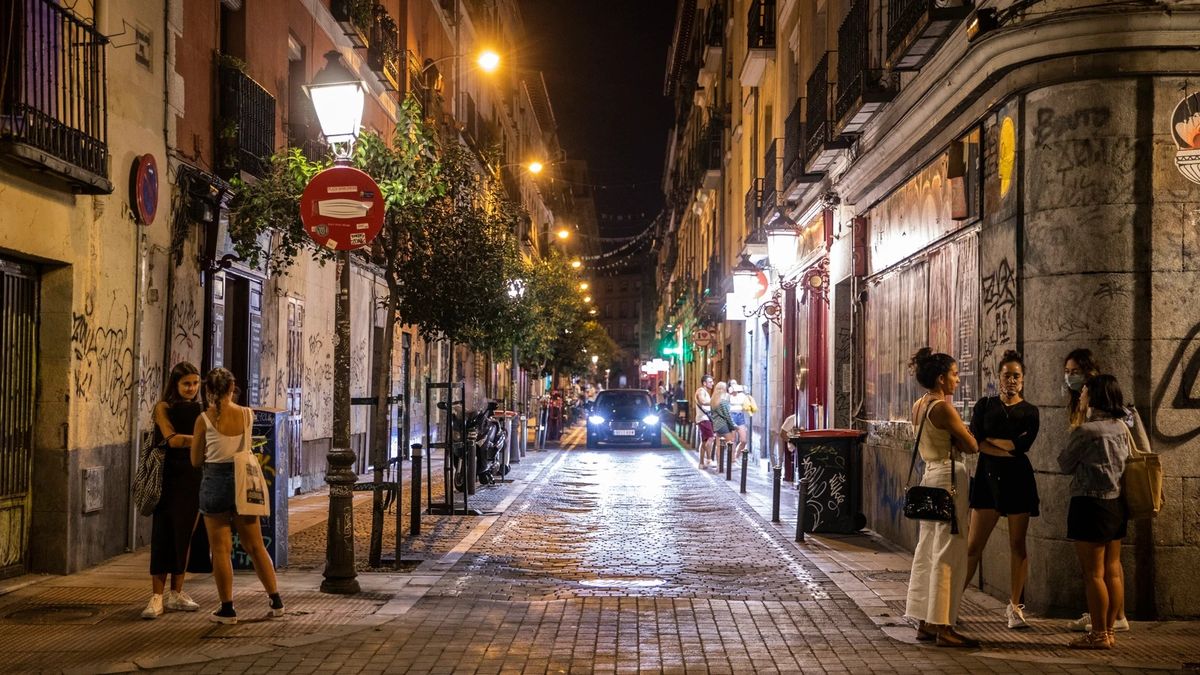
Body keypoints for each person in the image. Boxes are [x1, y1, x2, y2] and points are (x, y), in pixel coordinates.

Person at [191, 368, 283, 624]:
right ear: (233, 387)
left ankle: (227, 608)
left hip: (214, 482)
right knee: (255, 546)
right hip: (244, 482)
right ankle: (276, 600)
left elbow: (196, 460)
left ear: (208, 390)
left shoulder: (204, 419)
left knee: (220, 549)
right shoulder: (247, 415)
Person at [904, 348, 980, 648]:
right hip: (949, 480)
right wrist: (967, 438)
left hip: (929, 477)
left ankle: (924, 621)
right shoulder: (943, 408)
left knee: (927, 551)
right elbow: (971, 445)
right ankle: (943, 626)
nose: (957, 379)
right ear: (940, 377)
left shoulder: (918, 406)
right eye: (954, 373)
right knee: (949, 553)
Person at [963, 350, 1040, 629]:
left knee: (1018, 545)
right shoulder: (985, 405)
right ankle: (951, 603)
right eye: (1006, 375)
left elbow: (1023, 446)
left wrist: (996, 443)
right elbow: (975, 441)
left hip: (1018, 481)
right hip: (987, 480)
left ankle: (1015, 606)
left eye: (1016, 376)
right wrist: (1007, 445)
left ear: (1023, 379)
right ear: (998, 377)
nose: (1011, 380)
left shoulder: (1030, 411)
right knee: (973, 546)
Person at [1056, 374, 1131, 650]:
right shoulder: (1121, 427)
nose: (1081, 394)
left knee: (1093, 574)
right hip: (1116, 504)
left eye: (1085, 391)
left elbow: (1065, 463)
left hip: (1089, 504)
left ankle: (1098, 634)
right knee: (1112, 571)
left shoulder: (1087, 431)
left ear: (1095, 396)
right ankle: (1109, 629)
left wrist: (1076, 424)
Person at [142, 362, 211, 619]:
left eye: (195, 384)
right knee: (163, 533)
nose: (191, 389)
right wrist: (204, 440)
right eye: (186, 384)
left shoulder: (202, 409)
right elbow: (172, 440)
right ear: (175, 384)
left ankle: (176, 592)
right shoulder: (164, 407)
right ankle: (156, 596)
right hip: (168, 476)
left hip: (194, 476)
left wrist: (197, 441)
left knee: (185, 534)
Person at [708, 381, 739, 463]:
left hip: (716, 426)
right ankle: (731, 461)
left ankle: (719, 465)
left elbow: (712, 414)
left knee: (718, 446)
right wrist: (734, 425)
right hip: (724, 425)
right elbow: (727, 415)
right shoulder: (723, 401)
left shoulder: (712, 400)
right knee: (730, 443)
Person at [694, 375, 715, 467]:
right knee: (711, 438)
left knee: (704, 440)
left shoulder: (706, 392)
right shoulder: (701, 391)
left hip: (704, 418)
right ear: (704, 383)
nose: (712, 384)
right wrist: (714, 402)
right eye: (710, 382)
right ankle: (709, 459)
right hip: (704, 419)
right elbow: (702, 401)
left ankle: (701, 463)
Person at [728, 381, 750, 455]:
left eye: (735, 383)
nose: (734, 385)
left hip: (740, 416)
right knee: (732, 440)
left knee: (743, 440)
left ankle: (736, 455)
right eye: (732, 383)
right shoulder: (728, 396)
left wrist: (746, 391)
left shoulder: (742, 395)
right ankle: (732, 458)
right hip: (731, 416)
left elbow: (748, 401)